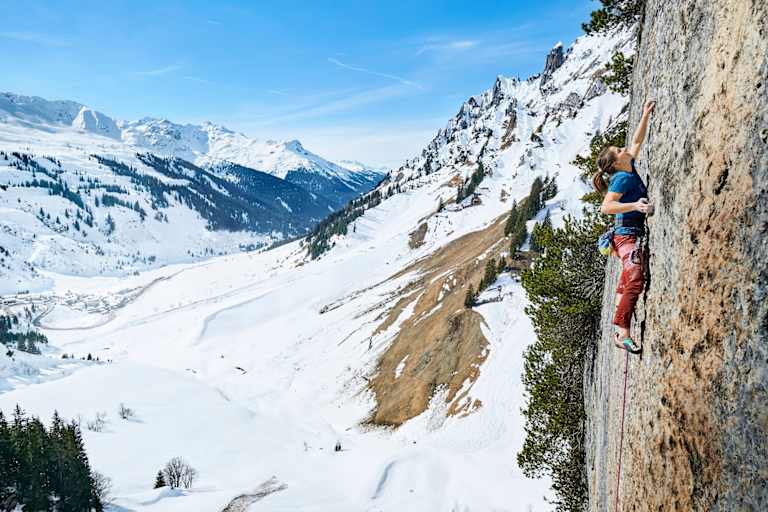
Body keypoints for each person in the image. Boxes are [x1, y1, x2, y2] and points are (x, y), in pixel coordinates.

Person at [592, 100, 656, 353]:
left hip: (627, 236)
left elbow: (637, 141)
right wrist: (635, 206)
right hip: (625, 237)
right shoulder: (621, 177)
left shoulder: (627, 166)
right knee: (636, 278)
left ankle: (620, 329)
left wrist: (645, 114)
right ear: (616, 163)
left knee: (628, 277)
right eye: (619, 150)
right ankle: (623, 333)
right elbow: (606, 207)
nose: (624, 148)